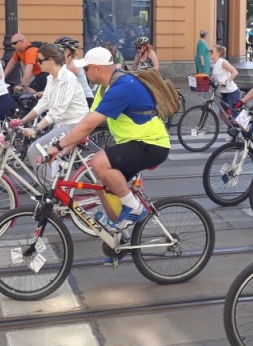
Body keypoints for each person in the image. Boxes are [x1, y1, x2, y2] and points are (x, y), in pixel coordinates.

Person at [45, 47, 170, 233]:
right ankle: (119, 236)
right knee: (102, 187)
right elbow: (88, 120)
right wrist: (68, 146)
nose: (84, 72)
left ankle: (135, 208)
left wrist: (58, 146)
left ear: (98, 68)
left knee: (98, 162)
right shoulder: (106, 88)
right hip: (134, 143)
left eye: (86, 68)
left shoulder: (122, 87)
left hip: (151, 144)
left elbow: (89, 124)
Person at [11, 44, 90, 182]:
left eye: (40, 60)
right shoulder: (51, 78)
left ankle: (51, 194)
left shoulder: (66, 78)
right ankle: (54, 185)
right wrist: (23, 121)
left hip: (74, 124)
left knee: (35, 149)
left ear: (51, 61)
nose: (37, 63)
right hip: (63, 123)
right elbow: (43, 103)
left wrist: (35, 129)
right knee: (46, 155)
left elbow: (56, 112)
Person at [54, 36, 95, 107]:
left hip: (85, 99)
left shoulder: (73, 65)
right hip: (78, 99)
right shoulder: (68, 64)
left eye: (62, 50)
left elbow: (62, 83)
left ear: (70, 51)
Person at [209, 44, 240, 110]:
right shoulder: (215, 64)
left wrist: (226, 82)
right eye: (209, 51)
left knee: (234, 116)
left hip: (231, 92)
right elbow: (219, 75)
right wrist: (210, 79)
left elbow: (235, 72)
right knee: (223, 115)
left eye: (211, 51)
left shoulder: (223, 62)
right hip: (223, 92)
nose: (210, 53)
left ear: (218, 53)